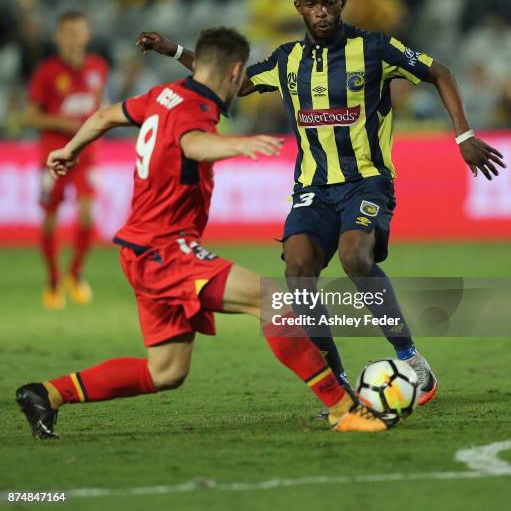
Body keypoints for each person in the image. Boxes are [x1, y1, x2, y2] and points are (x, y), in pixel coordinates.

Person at [136, 0, 506, 408]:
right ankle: (339, 378)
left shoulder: (376, 48)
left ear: (342, 2)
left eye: (329, 1)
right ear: (299, 8)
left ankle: (410, 357)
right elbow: (224, 78)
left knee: (354, 257)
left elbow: (440, 72)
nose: (322, 11)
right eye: (312, 3)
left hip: (367, 182)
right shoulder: (287, 59)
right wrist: (174, 50)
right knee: (297, 272)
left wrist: (463, 134)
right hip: (312, 188)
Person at [16, 27, 392, 440]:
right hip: (165, 249)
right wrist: (238, 146)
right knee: (272, 302)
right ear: (235, 72)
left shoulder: (163, 95)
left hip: (141, 249)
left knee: (167, 371)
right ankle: (343, 407)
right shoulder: (195, 110)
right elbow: (192, 144)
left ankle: (47, 394)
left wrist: (70, 148)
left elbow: (106, 116)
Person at [25, 11, 109, 310]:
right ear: (58, 38)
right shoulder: (46, 72)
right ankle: (52, 279)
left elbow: (99, 105)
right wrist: (66, 123)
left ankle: (74, 275)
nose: (73, 39)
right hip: (54, 155)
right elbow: (30, 116)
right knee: (51, 218)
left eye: (78, 33)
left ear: (86, 36)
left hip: (86, 154)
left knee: (87, 215)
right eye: (68, 34)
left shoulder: (98, 68)